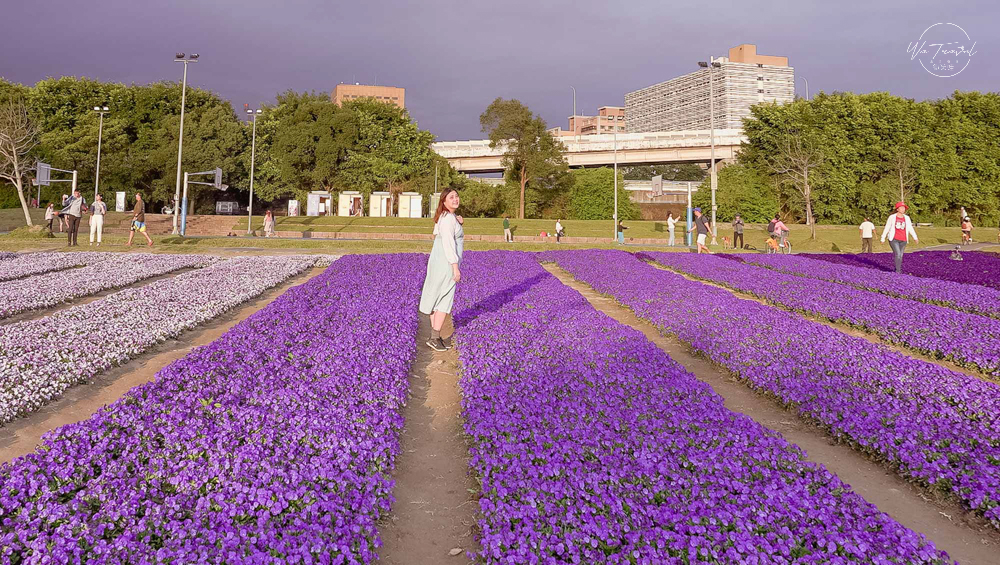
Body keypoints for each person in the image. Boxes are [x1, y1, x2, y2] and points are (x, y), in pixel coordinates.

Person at [418, 187, 464, 352]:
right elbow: (448, 244)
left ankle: (435, 337)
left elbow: (437, 233)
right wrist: (455, 267)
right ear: (444, 201)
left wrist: (458, 223)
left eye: (456, 197)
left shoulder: (446, 217)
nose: (455, 199)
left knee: (437, 295)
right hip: (445, 262)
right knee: (445, 297)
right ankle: (434, 337)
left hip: (439, 260)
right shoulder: (448, 219)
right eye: (451, 197)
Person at [880, 201, 918, 274]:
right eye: (901, 207)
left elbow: (910, 228)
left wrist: (915, 237)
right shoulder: (892, 217)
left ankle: (897, 268)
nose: (903, 209)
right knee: (898, 254)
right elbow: (887, 227)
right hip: (894, 239)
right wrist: (883, 237)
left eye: (904, 208)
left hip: (903, 240)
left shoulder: (907, 218)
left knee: (900, 255)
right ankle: (898, 271)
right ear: (897, 209)